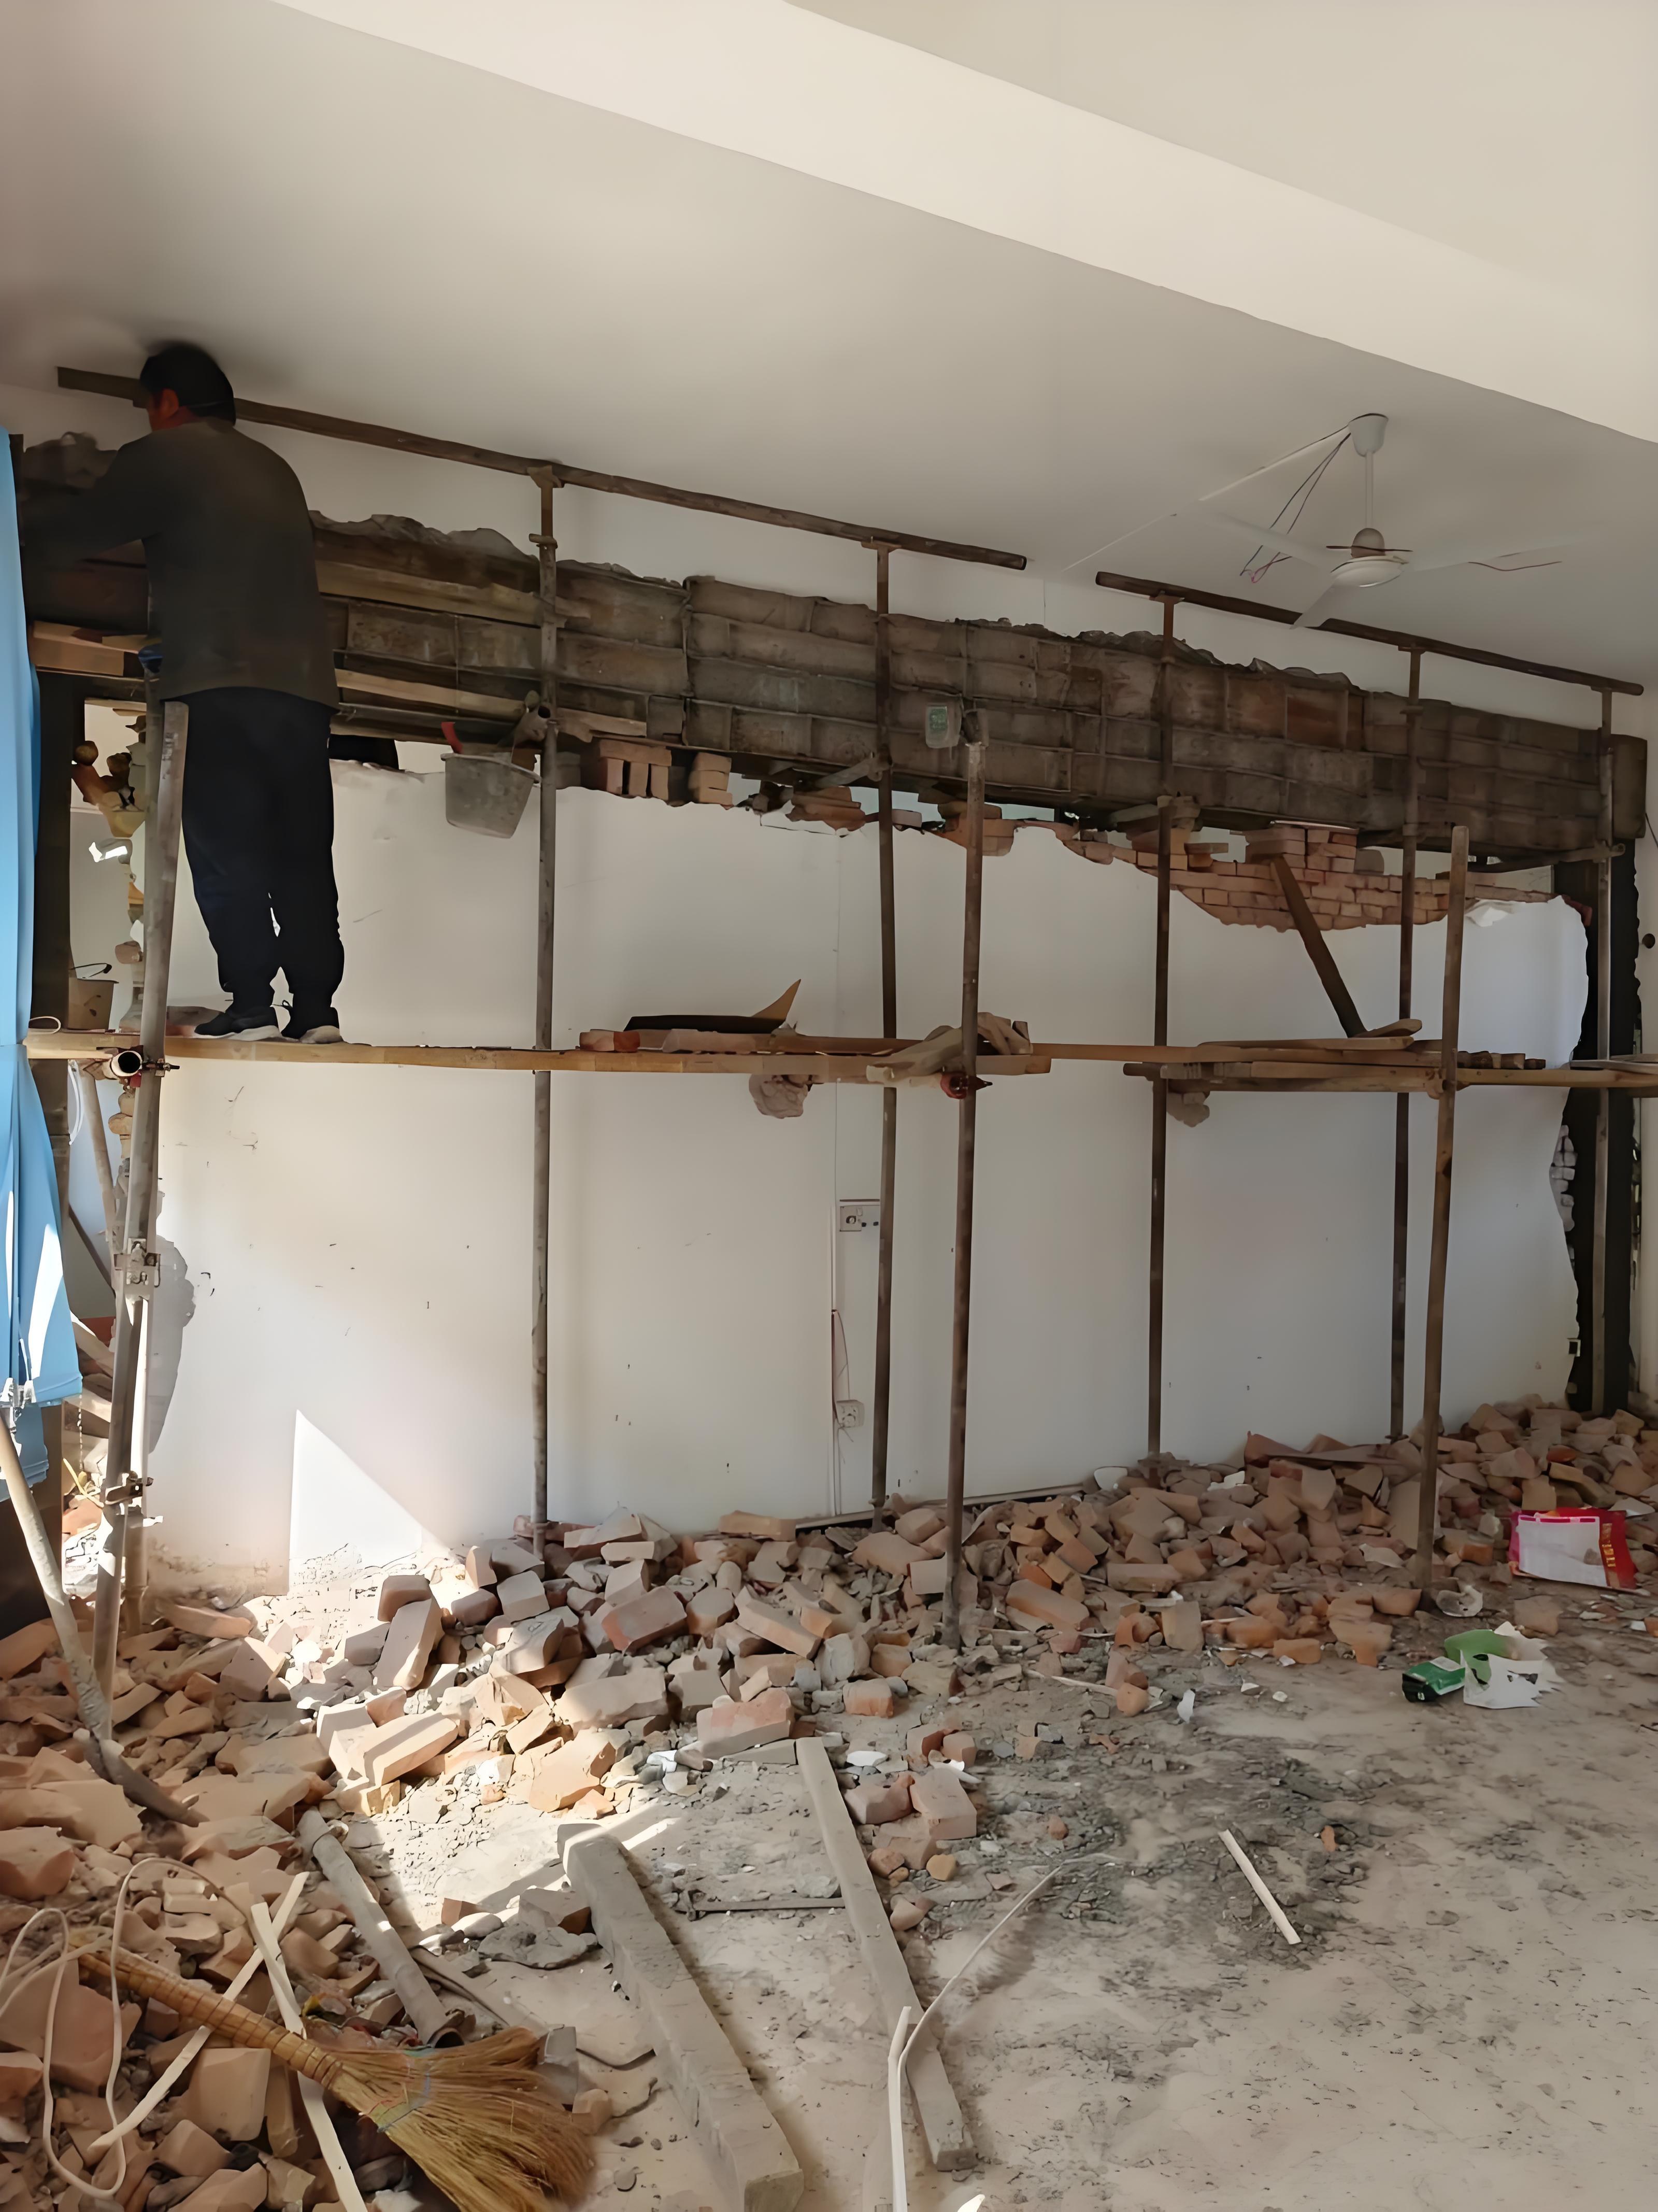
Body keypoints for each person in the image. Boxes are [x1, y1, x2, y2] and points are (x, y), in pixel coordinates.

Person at [26, 343, 345, 1042]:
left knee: (227, 852)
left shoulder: (164, 455)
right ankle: (317, 1012)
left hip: (218, 681)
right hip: (303, 692)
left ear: (167, 402)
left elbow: (78, 532)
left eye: (148, 407)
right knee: (300, 855)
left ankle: (253, 1005)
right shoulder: (276, 468)